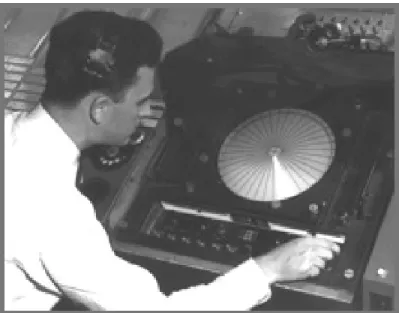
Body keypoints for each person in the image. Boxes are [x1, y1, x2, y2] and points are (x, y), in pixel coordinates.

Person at [5, 10, 340, 311]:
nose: (149, 112)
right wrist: (267, 269)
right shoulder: (54, 213)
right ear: (100, 109)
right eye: (141, 102)